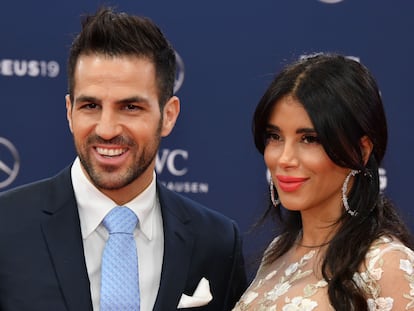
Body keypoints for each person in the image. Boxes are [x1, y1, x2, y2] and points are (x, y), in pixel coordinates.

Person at [0, 7, 247, 311]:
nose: (106, 129)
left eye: (130, 107)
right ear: (69, 112)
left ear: (168, 116)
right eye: (90, 105)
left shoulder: (217, 242)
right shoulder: (6, 226)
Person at [232, 53, 414, 310]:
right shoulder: (278, 253)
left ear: (361, 151)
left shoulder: (387, 265)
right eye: (275, 136)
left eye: (309, 139)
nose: (284, 158)